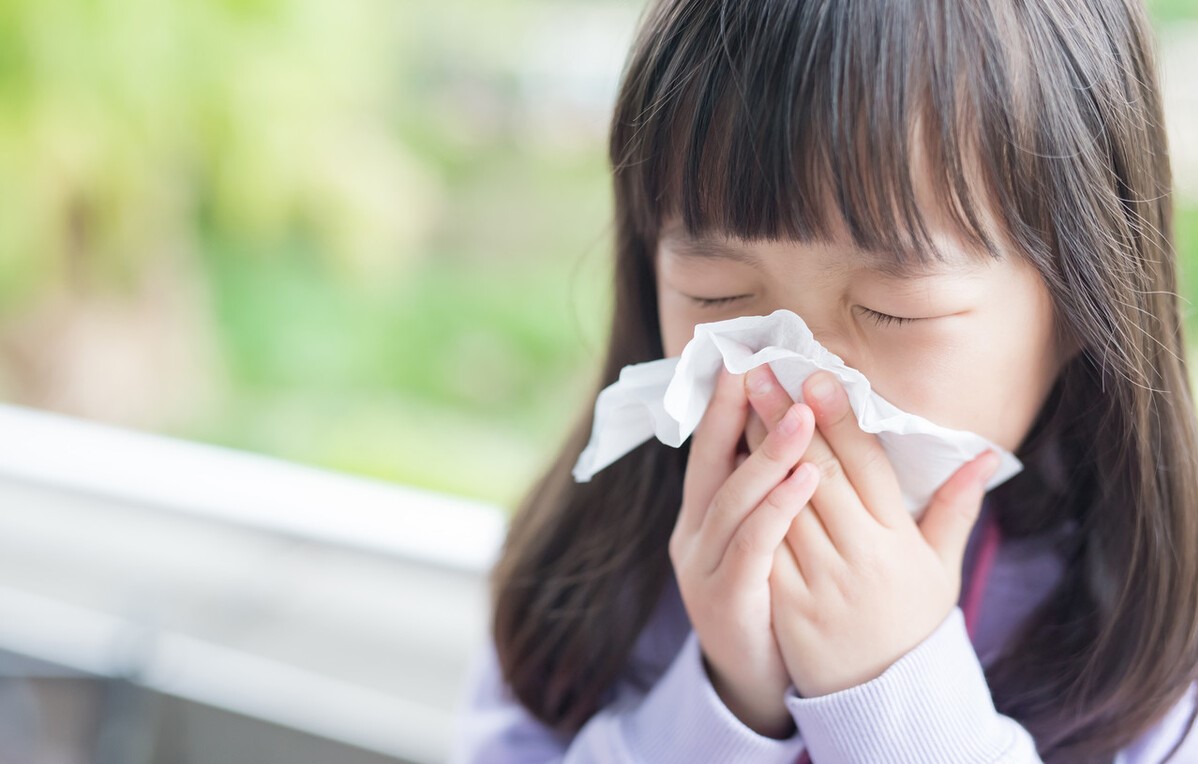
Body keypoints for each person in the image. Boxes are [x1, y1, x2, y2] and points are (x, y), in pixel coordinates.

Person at [448, 0, 1198, 761]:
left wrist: (893, 697)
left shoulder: (1165, 640)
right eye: (715, 293)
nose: (800, 384)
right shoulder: (591, 566)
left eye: (891, 309)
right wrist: (730, 698)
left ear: (1086, 301)